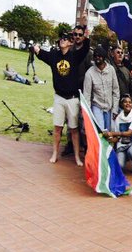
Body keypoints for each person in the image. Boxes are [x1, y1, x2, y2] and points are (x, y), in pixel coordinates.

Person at [34, 28, 90, 165]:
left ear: (70, 43)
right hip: (59, 98)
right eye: (61, 39)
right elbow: (41, 54)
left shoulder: (75, 57)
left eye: (65, 39)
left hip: (72, 99)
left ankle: (77, 157)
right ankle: (54, 153)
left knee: (74, 129)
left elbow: (86, 49)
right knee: (57, 128)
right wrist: (36, 49)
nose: (62, 41)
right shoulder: (54, 56)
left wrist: (87, 35)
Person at [82, 46, 119, 132]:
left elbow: (116, 91)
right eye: (95, 56)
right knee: (100, 132)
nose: (97, 58)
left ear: (104, 57)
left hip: (109, 107)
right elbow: (86, 95)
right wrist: (87, 113)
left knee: (110, 132)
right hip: (97, 107)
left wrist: (115, 110)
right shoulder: (89, 73)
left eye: (99, 56)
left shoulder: (111, 70)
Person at [106, 95, 132, 174]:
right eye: (125, 102)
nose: (128, 104)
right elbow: (117, 138)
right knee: (120, 166)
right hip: (122, 146)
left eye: (130, 102)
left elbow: (129, 133)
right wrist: (109, 138)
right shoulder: (118, 118)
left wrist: (112, 133)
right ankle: (124, 158)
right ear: (122, 104)